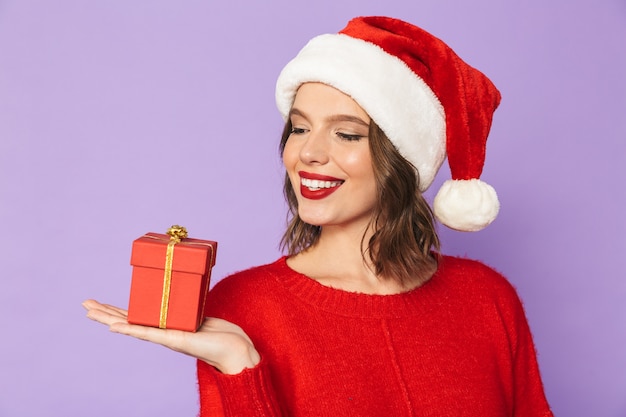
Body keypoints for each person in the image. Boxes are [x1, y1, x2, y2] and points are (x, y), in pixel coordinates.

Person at [84, 16, 554, 416]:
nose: (307, 152)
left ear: (403, 159)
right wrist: (239, 366)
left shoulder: (486, 298)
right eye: (300, 127)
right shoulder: (243, 308)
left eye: (346, 135)